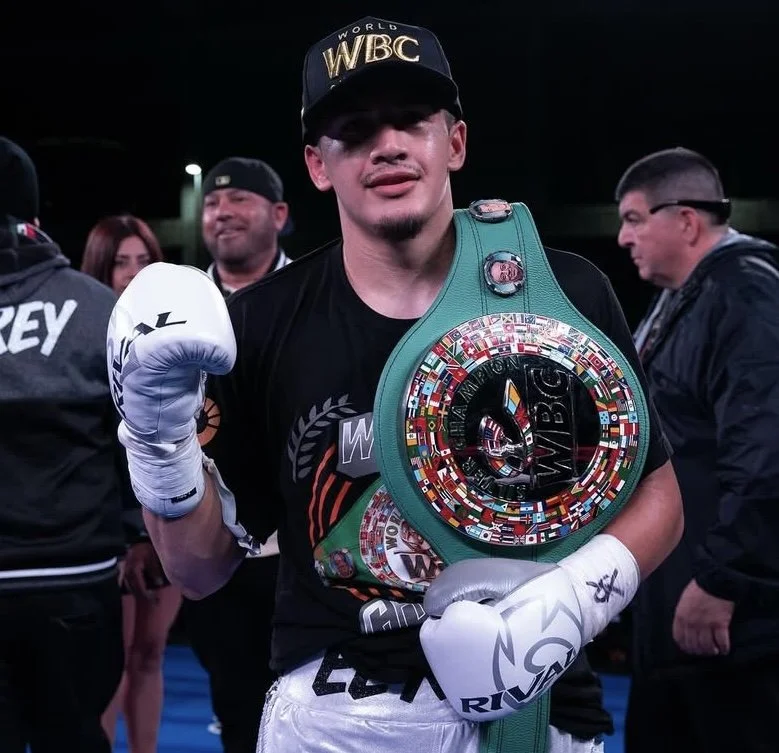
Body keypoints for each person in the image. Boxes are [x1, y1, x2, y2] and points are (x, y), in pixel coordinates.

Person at [106, 17, 683, 753]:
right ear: (318, 164)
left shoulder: (558, 289)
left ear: (455, 142)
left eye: (411, 119)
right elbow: (198, 569)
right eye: (353, 129)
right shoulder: (260, 323)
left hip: (539, 712)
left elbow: (658, 494)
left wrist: (573, 600)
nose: (387, 144)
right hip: (336, 710)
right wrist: (156, 437)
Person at [616, 147, 779, 753]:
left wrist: (725, 579)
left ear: (685, 221)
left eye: (634, 218)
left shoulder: (746, 295)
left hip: (732, 619)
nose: (623, 236)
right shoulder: (683, 299)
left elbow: (768, 449)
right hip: (675, 604)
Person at [0, 137, 144, 752]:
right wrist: (139, 531)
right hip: (76, 578)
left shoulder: (101, 305)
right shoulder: (97, 307)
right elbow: (142, 434)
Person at [181, 158, 290, 752]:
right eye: (214, 204)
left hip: (302, 547)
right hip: (213, 542)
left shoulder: (320, 297)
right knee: (235, 701)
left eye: (239, 201)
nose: (222, 212)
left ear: (279, 215)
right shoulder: (177, 306)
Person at [80, 214, 181, 753]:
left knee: (150, 652)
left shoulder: (177, 337)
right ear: (100, 266)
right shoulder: (80, 342)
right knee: (110, 659)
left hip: (164, 517)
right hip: (106, 526)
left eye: (143, 259)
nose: (133, 271)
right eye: (121, 261)